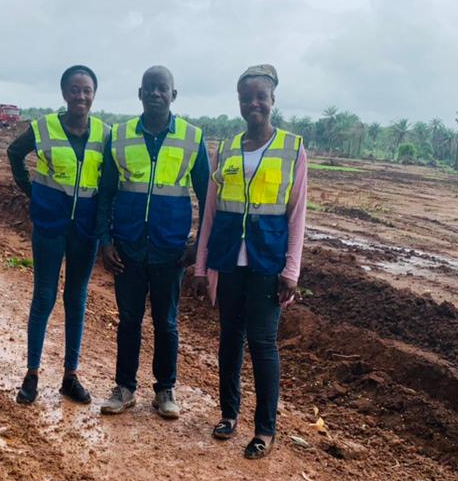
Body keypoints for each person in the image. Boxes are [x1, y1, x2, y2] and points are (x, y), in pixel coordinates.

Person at [193, 64, 308, 459]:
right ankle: (228, 414)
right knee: (229, 338)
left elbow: (297, 214)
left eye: (261, 97)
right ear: (239, 102)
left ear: (273, 100)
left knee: (262, 342)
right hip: (228, 258)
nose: (253, 104)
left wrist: (291, 270)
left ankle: (265, 429)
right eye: (246, 98)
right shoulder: (226, 149)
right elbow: (210, 211)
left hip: (267, 261)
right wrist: (201, 266)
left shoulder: (292, 148)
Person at [97, 66, 209, 420]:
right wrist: (105, 241)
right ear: (140, 93)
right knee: (129, 320)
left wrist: (199, 247)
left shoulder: (192, 138)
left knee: (166, 323)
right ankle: (124, 388)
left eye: (163, 88)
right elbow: (105, 193)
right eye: (150, 88)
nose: (156, 94)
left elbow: (208, 198)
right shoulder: (120, 136)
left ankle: (165, 390)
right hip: (127, 247)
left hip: (170, 250)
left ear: (173, 95)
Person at [7, 65, 108, 406]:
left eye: (87, 90)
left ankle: (70, 376)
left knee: (76, 299)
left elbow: (110, 179)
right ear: (64, 93)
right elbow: (14, 153)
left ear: (94, 94)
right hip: (50, 225)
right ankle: (32, 375)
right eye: (75, 90)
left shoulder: (104, 134)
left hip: (85, 229)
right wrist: (32, 193)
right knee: (44, 297)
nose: (81, 96)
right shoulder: (44, 127)